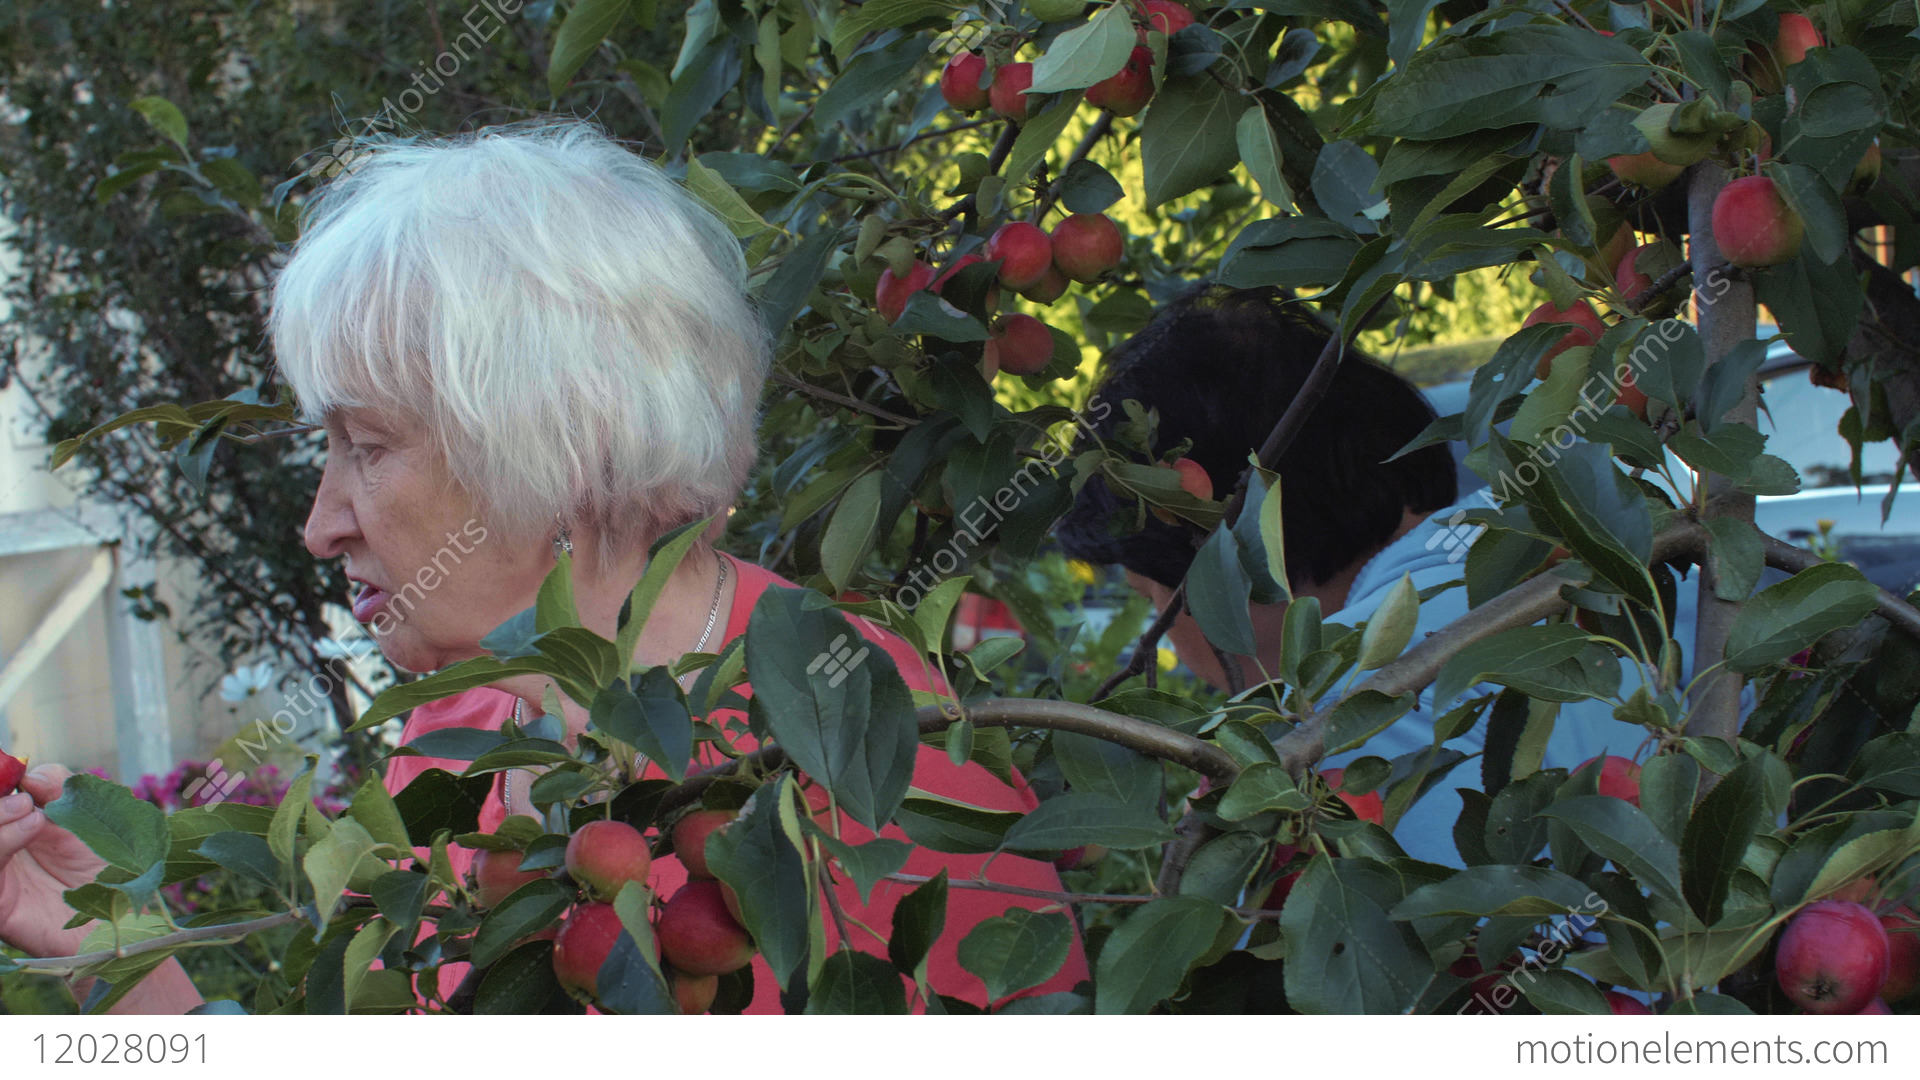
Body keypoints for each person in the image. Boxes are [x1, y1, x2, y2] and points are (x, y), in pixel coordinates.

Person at [0, 122, 1085, 1013]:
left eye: (366, 449)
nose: (320, 524)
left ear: (559, 452)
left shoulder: (876, 764)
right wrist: (111, 947)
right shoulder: (462, 730)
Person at [1056, 286, 1681, 865]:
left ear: (1227, 563)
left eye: (1154, 599)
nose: (1163, 639)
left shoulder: (1340, 722)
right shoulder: (1573, 549)